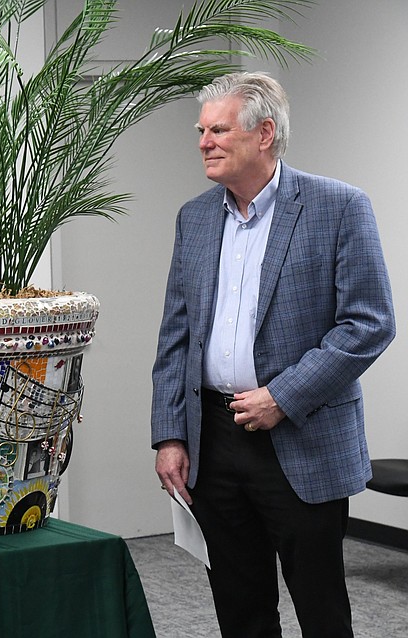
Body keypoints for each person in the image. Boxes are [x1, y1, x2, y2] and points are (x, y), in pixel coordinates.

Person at [151, 72, 395, 637]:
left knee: (320, 607)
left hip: (301, 438)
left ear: (264, 134)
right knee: (239, 606)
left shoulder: (338, 207)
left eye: (217, 129)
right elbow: (176, 335)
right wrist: (170, 435)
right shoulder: (195, 217)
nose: (203, 141)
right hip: (214, 437)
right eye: (201, 130)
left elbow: (369, 323)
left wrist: (282, 396)